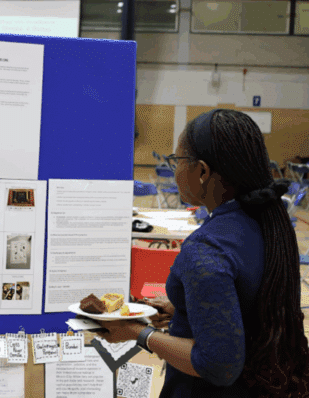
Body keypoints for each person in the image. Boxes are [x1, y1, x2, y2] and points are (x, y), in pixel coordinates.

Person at [96, 109, 309, 397]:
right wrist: (185, 308)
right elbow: (249, 301)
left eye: (178, 160)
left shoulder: (206, 247)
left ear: (202, 172)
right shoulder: (269, 225)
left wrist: (138, 333)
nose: (174, 169)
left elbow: (218, 364)